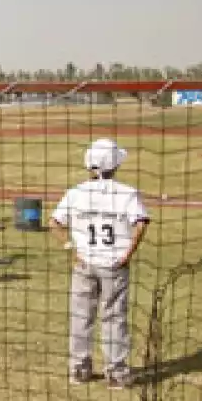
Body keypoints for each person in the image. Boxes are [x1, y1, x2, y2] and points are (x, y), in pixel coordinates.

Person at [50, 139, 150, 387]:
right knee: (114, 317)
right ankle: (115, 372)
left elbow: (55, 223)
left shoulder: (76, 192)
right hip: (113, 264)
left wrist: (71, 248)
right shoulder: (126, 193)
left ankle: (79, 369)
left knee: (81, 316)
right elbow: (141, 223)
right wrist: (128, 254)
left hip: (84, 263)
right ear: (115, 165)